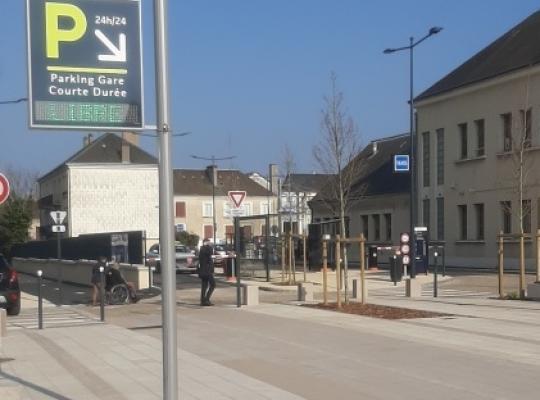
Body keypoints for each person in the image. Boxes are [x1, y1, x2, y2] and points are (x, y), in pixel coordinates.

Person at [198, 239, 216, 306]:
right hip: (207, 271)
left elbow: (210, 254)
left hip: (204, 271)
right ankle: (206, 299)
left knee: (204, 286)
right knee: (213, 284)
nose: (210, 243)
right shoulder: (204, 249)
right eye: (208, 242)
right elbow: (210, 252)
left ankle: (203, 300)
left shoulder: (202, 249)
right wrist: (209, 246)